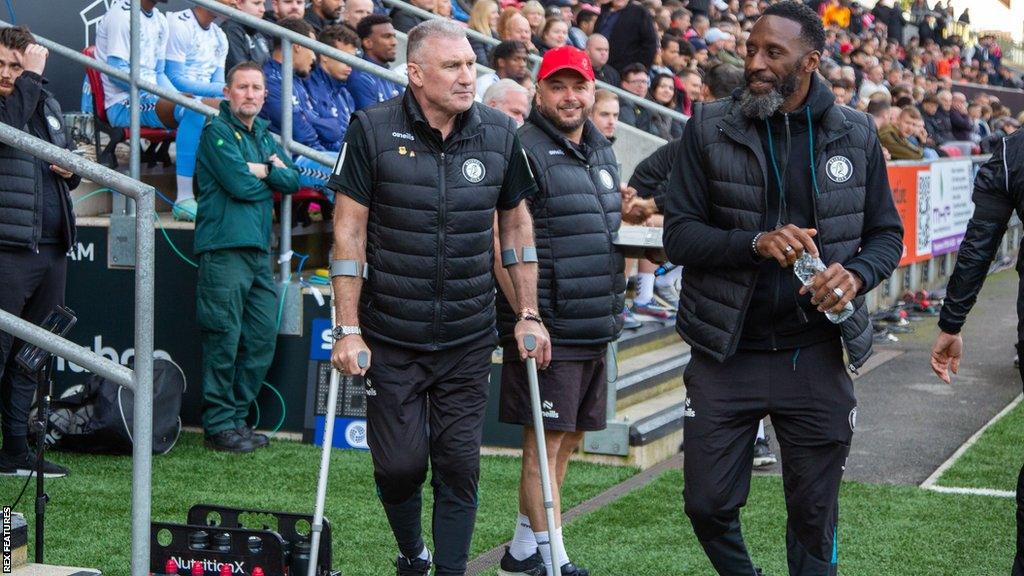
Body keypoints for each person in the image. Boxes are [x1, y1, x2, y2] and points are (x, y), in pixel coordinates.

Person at [663, 3, 903, 574]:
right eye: (751, 49)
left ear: (811, 61)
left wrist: (857, 274)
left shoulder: (857, 131)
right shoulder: (708, 126)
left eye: (774, 52)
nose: (756, 63)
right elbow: (679, 236)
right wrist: (754, 243)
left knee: (814, 513)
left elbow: (886, 235)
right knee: (706, 504)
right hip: (727, 351)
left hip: (815, 353)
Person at [327, 19, 549, 576]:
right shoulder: (371, 129)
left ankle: (450, 569)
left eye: (471, 66)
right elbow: (349, 232)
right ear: (416, 73)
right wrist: (348, 326)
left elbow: (517, 229)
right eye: (452, 67)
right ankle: (412, 552)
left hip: (467, 336)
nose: (466, 77)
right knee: (400, 466)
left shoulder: (500, 132)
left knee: (458, 463)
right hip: (391, 334)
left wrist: (528, 312)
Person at [493, 46, 624, 576]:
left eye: (579, 87)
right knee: (541, 449)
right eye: (558, 86)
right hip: (549, 324)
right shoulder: (521, 150)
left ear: (592, 91)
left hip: (595, 321)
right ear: (538, 93)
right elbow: (500, 242)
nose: (570, 97)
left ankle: (523, 550)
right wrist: (527, 315)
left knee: (567, 441)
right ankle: (553, 560)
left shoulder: (602, 149)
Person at [930, 129, 1024, 576]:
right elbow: (980, 242)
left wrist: (952, 322)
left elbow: (980, 243)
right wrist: (951, 320)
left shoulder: (1012, 150)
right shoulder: (1011, 152)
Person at [193, 61, 300, 453]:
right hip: (223, 250)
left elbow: (292, 180)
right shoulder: (217, 131)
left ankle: (236, 419)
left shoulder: (264, 136)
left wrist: (264, 173)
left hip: (257, 253)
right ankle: (218, 424)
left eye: (256, 88)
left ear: (264, 95)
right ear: (227, 92)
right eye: (242, 87)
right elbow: (239, 185)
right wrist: (265, 175)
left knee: (259, 339)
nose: (250, 94)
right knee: (223, 337)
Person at [0, 26, 79, 478]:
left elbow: (68, 161)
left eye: (18, 64)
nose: (11, 74)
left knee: (32, 356)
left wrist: (71, 172)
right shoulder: (17, 98)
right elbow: (9, 129)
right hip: (7, 248)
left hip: (51, 246)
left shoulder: (45, 101)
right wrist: (31, 76)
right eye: (4, 66)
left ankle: (14, 450)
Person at [94, 0, 207, 221]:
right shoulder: (122, 14)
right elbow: (117, 71)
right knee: (195, 111)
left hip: (149, 96)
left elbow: (160, 73)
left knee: (200, 107)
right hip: (122, 103)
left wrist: (173, 96)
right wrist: (163, 96)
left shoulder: (160, 19)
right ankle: (184, 199)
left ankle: (207, 195)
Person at [165, 5, 229, 220]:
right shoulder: (179, 23)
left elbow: (218, 82)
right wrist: (225, 91)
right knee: (198, 110)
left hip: (204, 97)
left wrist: (224, 94)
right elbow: (173, 78)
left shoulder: (220, 35)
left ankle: (222, 195)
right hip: (174, 96)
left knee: (235, 111)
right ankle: (183, 198)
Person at [260, 18, 334, 188]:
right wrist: (310, 122)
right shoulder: (269, 79)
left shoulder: (296, 80)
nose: (314, 58)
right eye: (312, 49)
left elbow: (329, 128)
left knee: (362, 165)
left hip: (313, 154)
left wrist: (308, 119)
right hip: (290, 161)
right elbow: (300, 131)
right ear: (298, 46)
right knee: (349, 172)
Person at [305, 25, 359, 148]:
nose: (350, 63)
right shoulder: (309, 86)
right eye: (345, 57)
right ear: (325, 55)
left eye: (353, 58)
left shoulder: (346, 94)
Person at [347, 14, 404, 110]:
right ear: (368, 43)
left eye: (394, 36)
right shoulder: (360, 78)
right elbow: (371, 123)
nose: (394, 42)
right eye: (387, 37)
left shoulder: (392, 76)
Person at [595, 0, 659, 73]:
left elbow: (650, 44)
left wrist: (637, 69)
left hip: (625, 71)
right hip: (600, 67)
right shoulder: (605, 10)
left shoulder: (639, 12)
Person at [223, 0, 271, 72]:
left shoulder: (258, 31)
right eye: (256, 3)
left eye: (263, 4)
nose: (263, 9)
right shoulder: (231, 30)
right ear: (239, 4)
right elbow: (241, 72)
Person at [617, 63, 652, 133]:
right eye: (637, 82)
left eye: (644, 82)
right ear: (624, 84)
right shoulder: (624, 105)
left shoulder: (646, 104)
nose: (642, 86)